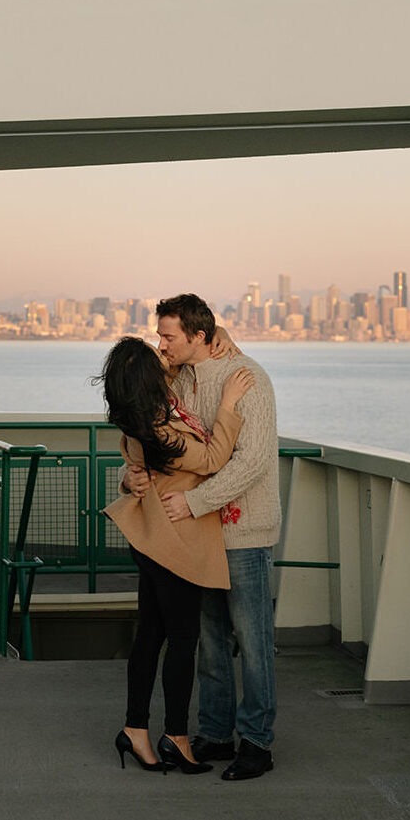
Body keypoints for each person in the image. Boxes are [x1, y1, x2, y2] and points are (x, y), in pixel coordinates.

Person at [126, 293, 280, 782]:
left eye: (169, 335)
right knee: (211, 642)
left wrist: (194, 503)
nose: (161, 343)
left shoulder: (248, 378)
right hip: (198, 537)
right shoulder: (180, 379)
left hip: (243, 532)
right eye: (160, 334)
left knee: (253, 644)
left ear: (198, 335)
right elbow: (157, 440)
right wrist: (130, 476)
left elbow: (251, 462)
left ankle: (257, 743)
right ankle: (216, 732)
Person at [98, 336, 255, 776]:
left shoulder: (139, 422)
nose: (164, 354)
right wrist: (228, 403)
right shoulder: (160, 430)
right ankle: (176, 737)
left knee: (150, 634)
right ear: (148, 380)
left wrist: (214, 329)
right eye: (157, 356)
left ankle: (136, 730)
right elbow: (212, 459)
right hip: (175, 543)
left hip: (151, 539)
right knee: (182, 640)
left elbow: (191, 341)